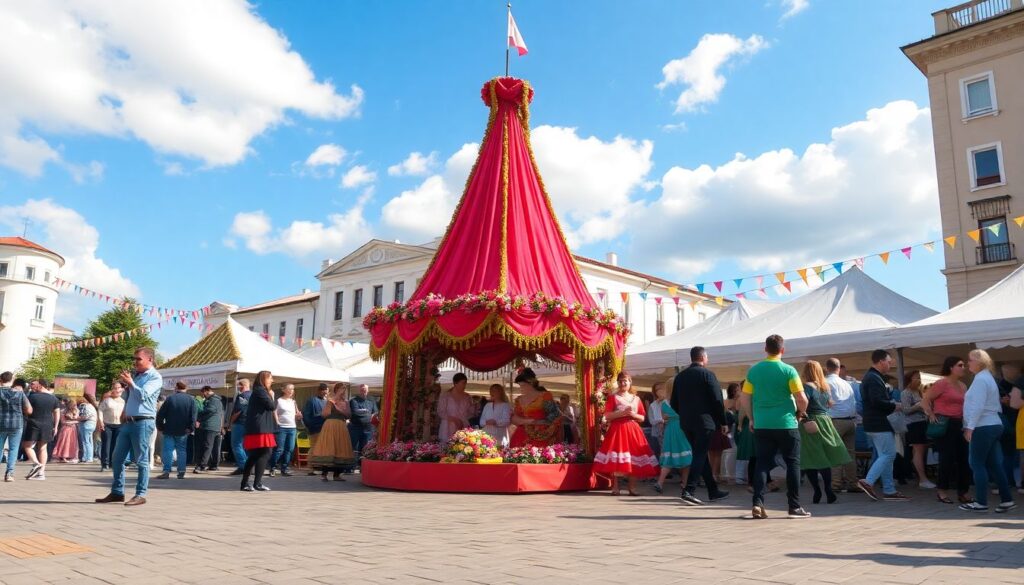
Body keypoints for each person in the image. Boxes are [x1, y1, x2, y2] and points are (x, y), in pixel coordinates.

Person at [740, 334, 811, 519]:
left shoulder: (754, 371)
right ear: (783, 350)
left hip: (762, 424)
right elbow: (802, 398)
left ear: (765, 349)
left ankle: (757, 503)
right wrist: (800, 414)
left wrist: (752, 418)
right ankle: (794, 507)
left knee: (762, 463)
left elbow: (745, 397)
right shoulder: (789, 370)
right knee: (792, 463)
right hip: (786, 423)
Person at [96, 347, 162, 506]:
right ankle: (117, 492)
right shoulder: (137, 376)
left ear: (150, 359)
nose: (135, 362)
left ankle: (140, 494)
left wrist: (131, 382)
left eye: (139, 359)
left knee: (141, 460)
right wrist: (125, 408)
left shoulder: (154, 377)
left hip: (143, 421)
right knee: (117, 458)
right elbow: (129, 397)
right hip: (129, 422)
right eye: (135, 359)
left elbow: (143, 396)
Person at [671, 346, 729, 505]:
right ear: (703, 358)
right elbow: (717, 400)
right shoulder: (707, 374)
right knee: (700, 454)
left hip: (686, 422)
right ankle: (689, 490)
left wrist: (685, 414)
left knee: (700, 455)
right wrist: (723, 421)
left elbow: (673, 402)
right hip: (705, 422)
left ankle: (713, 490)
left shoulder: (680, 377)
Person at [960, 350, 1016, 512]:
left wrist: (969, 427)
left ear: (979, 362)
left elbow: (977, 406)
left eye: (970, 360)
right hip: (993, 424)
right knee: (994, 464)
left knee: (976, 463)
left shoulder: (980, 380)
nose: (968, 363)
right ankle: (1007, 500)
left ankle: (981, 502)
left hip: (982, 426)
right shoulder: (988, 378)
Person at [593, 372, 659, 495]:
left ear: (630, 382)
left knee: (633, 457)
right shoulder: (613, 397)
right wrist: (622, 413)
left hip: (633, 430)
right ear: (618, 383)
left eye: (625, 381)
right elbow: (607, 415)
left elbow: (642, 417)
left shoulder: (636, 399)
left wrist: (633, 415)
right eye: (621, 381)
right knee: (616, 457)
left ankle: (632, 488)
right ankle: (615, 487)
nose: (623, 383)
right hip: (617, 430)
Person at [857, 350, 908, 502]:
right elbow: (877, 401)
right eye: (888, 362)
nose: (890, 365)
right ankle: (868, 481)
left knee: (885, 456)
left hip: (874, 423)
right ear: (880, 361)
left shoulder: (871, 377)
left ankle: (889, 490)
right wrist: (894, 405)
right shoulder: (873, 378)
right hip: (879, 423)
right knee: (889, 455)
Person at [799, 361, 851, 505]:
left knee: (810, 458)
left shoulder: (806, 387)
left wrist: (801, 416)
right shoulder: (824, 387)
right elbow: (829, 404)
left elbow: (803, 404)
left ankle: (817, 490)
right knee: (824, 457)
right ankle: (828, 489)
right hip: (826, 421)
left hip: (811, 422)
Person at [921, 356, 972, 504]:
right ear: (951, 367)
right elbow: (925, 399)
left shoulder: (963, 385)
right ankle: (942, 490)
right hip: (945, 423)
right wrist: (931, 414)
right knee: (947, 458)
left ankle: (963, 492)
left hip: (960, 423)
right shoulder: (942, 383)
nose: (963, 368)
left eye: (963, 365)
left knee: (963, 459)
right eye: (960, 365)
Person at [308, 383, 355, 481]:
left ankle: (337, 475)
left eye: (344, 389)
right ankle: (324, 474)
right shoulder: (330, 400)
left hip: (341, 425)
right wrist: (333, 403)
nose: (343, 391)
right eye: (341, 389)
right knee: (328, 448)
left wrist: (339, 409)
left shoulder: (346, 402)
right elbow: (324, 414)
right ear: (336, 390)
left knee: (340, 448)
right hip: (330, 425)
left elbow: (349, 415)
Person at [652, 381, 693, 495]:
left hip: (670, 430)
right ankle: (685, 483)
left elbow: (663, 418)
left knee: (669, 456)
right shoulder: (682, 400)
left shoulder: (664, 403)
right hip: (681, 429)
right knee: (686, 456)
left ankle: (660, 482)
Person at [240, 371, 277, 492]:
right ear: (263, 379)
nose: (272, 380)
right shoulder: (260, 391)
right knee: (264, 453)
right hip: (259, 427)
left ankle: (249, 483)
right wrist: (272, 395)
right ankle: (255, 483)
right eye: (270, 378)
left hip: (261, 427)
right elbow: (271, 406)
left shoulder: (259, 391)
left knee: (257, 455)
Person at [509, 368, 562, 447]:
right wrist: (524, 421)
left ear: (531, 383)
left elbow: (555, 416)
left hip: (541, 436)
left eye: (523, 385)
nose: (521, 388)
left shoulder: (545, 396)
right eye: (520, 385)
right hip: (521, 436)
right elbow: (514, 418)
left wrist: (535, 422)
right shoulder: (518, 400)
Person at [156, 381, 198, 480]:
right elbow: (193, 417)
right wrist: (191, 428)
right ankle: (181, 472)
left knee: (168, 450)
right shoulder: (191, 400)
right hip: (183, 430)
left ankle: (166, 471)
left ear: (176, 388)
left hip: (169, 429)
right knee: (182, 450)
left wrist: (160, 427)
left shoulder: (170, 398)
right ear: (186, 388)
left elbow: (161, 414)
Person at [22, 379, 60, 481]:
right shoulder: (54, 398)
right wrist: (56, 426)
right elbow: (57, 413)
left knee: (27, 446)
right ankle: (41, 473)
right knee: (43, 448)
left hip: (33, 423)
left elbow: (27, 409)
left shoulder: (32, 397)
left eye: (34, 385)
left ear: (41, 385)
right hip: (48, 424)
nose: (32, 386)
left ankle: (36, 464)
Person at [901, 371, 933, 489]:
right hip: (913, 424)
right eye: (916, 378)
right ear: (910, 379)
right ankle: (923, 479)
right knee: (918, 450)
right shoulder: (906, 393)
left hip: (923, 423)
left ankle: (920, 477)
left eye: (920, 378)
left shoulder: (919, 392)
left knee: (921, 451)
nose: (919, 380)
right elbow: (906, 410)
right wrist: (918, 405)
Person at [1, 371, 33, 482]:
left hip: (1, 423)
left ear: (1, 380)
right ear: (12, 380)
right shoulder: (20, 393)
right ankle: (9, 474)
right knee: (13, 449)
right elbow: (29, 410)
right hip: (16, 424)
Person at [269, 383, 301, 476]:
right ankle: (273, 468)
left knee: (290, 449)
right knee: (279, 449)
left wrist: (298, 416)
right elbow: (274, 412)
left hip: (292, 427)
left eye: (293, 389)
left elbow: (296, 414)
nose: (291, 391)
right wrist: (277, 422)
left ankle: (285, 468)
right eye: (289, 389)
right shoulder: (279, 401)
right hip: (282, 427)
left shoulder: (293, 402)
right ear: (283, 390)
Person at [997, 363, 1021, 489]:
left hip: (1007, 423)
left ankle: (1007, 481)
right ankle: (1010, 480)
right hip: (1012, 422)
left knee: (1007, 454)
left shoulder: (1000, 385)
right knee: (1011, 454)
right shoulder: (1012, 385)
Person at [193, 386, 224, 474]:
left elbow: (210, 410)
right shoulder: (217, 400)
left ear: (206, 391)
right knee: (214, 447)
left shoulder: (213, 400)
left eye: (203, 394)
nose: (203, 396)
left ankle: (202, 465)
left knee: (207, 446)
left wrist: (200, 415)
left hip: (209, 426)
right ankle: (214, 465)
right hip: (215, 426)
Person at [302, 382, 329, 475]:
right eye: (323, 391)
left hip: (325, 429)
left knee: (323, 449)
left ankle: (319, 466)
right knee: (314, 448)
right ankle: (310, 468)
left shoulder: (327, 402)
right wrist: (310, 426)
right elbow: (306, 415)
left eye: (326, 391)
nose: (325, 393)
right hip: (315, 429)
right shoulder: (312, 401)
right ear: (319, 391)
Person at [437, 373, 474, 442]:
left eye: (465, 383)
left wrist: (463, 419)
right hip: (448, 427)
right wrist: (454, 419)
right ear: (455, 383)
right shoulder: (445, 396)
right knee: (447, 446)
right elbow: (440, 412)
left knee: (462, 446)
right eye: (463, 383)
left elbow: (471, 412)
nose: (465, 386)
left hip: (462, 426)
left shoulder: (467, 397)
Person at [98, 382, 125, 471]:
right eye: (115, 388)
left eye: (118, 388)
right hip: (107, 424)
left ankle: (112, 463)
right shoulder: (107, 400)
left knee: (116, 445)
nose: (117, 390)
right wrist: (101, 421)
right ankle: (105, 464)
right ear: (112, 389)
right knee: (106, 444)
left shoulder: (123, 401)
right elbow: (100, 410)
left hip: (119, 425)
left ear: (121, 389)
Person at [227, 379, 252, 475]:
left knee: (236, 445)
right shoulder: (253, 395)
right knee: (245, 446)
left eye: (238, 385)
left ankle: (243, 466)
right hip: (250, 423)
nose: (237, 387)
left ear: (243, 385)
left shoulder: (242, 396)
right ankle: (249, 466)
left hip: (240, 422)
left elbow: (238, 411)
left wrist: (230, 423)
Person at [348, 384, 377, 464]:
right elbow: (355, 412)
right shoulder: (354, 401)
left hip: (368, 429)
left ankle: (362, 465)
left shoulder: (371, 401)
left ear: (368, 390)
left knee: (366, 448)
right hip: (355, 428)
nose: (363, 391)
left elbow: (375, 413)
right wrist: (367, 413)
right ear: (359, 391)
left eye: (365, 389)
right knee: (354, 448)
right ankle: (352, 465)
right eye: (362, 389)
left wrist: (364, 412)